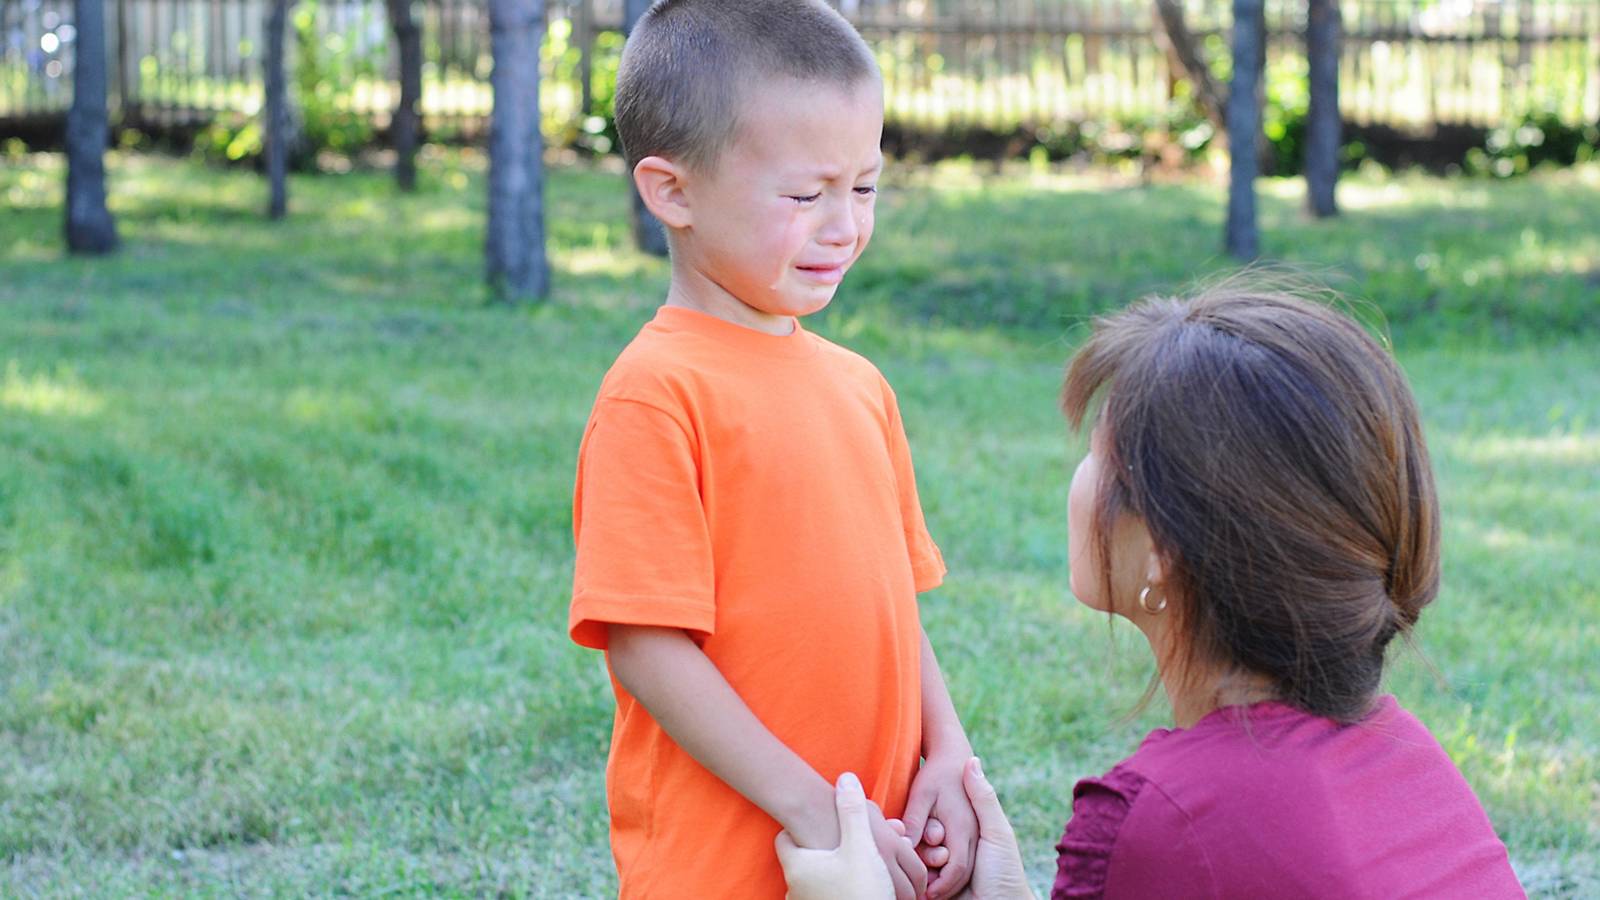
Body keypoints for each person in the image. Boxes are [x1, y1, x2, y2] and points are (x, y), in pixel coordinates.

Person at [777, 285, 1526, 898]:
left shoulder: (1165, 816)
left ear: (1163, 550)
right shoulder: (1406, 760)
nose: (1079, 481)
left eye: (1099, 456)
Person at [566, 2, 977, 897]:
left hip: (873, 849)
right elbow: (646, 644)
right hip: (726, 863)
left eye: (863, 188)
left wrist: (947, 752)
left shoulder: (860, 386)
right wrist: (817, 810)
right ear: (672, 191)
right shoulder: (657, 393)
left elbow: (892, 603)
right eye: (805, 195)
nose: (844, 226)